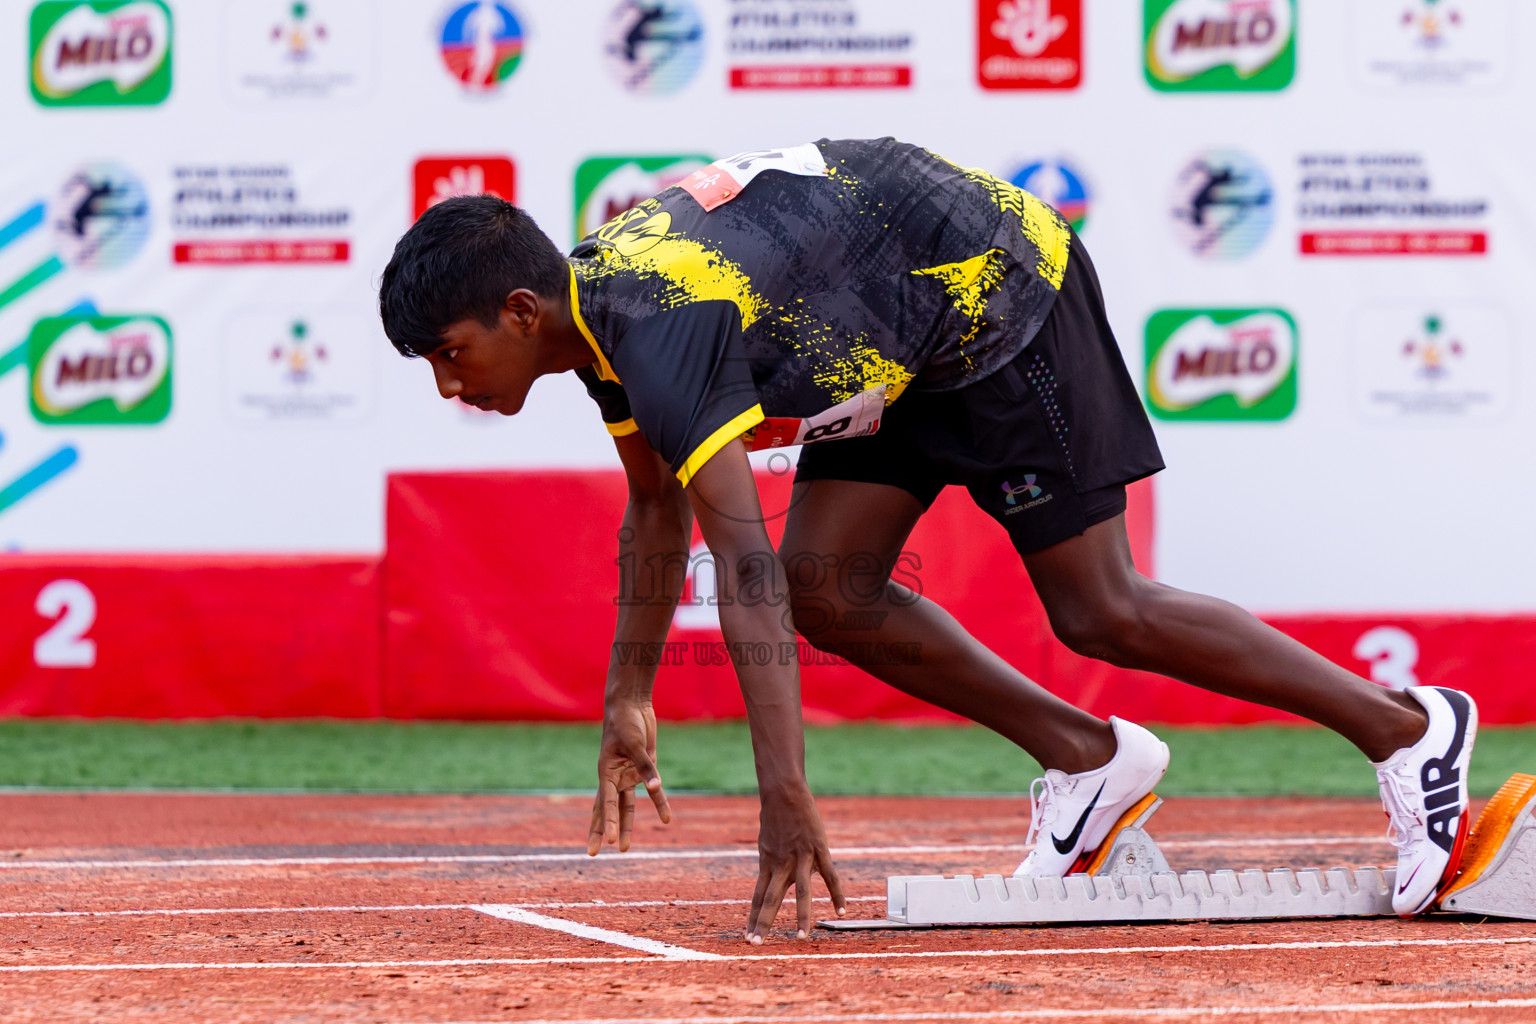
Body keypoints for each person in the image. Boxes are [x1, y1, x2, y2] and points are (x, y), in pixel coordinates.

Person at [377, 138, 1478, 943]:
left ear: (520, 311)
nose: (448, 383)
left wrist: (785, 794)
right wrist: (629, 696)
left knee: (1102, 609)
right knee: (830, 585)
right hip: (893, 342)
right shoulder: (598, 319)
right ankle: (1091, 762)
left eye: (449, 352)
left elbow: (737, 561)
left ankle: (1406, 728)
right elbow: (658, 507)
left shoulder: (656, 329)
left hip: (997, 291)